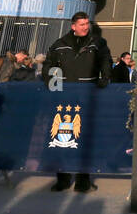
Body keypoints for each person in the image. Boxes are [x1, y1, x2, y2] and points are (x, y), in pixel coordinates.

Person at [42, 11, 112, 193]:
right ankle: (62, 179)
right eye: (82, 24)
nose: (85, 27)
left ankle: (83, 180)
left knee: (84, 139)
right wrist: (52, 85)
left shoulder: (98, 43)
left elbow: (106, 60)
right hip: (64, 99)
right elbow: (49, 65)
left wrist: (105, 77)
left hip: (88, 98)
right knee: (60, 138)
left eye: (87, 24)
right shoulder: (59, 45)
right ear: (73, 26)